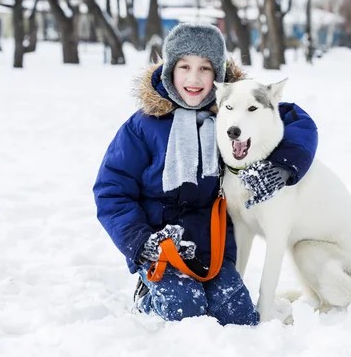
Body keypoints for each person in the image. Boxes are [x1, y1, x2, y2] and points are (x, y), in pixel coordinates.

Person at [93, 22, 318, 326]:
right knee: (186, 309)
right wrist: (141, 242)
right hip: (162, 248)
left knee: (238, 316)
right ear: (169, 70)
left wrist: (283, 164)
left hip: (212, 247)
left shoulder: (231, 106)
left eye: (205, 68)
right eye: (184, 66)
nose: (194, 78)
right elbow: (111, 190)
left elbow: (294, 118)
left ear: (219, 75)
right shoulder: (143, 125)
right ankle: (147, 296)